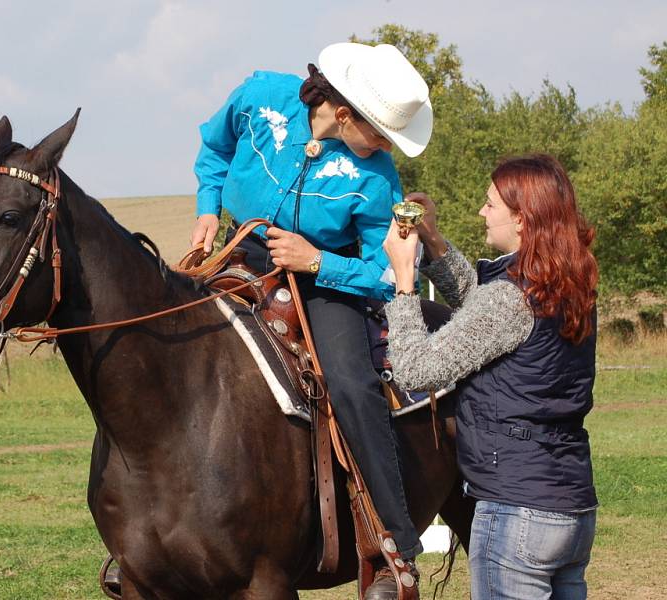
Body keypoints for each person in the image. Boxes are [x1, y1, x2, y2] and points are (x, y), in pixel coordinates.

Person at [190, 42, 433, 598]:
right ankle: (143, 532)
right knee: (163, 347)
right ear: (344, 113)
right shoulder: (259, 96)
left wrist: (319, 260)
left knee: (351, 382)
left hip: (329, 282)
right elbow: (215, 145)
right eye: (381, 135)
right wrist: (208, 204)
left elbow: (388, 268)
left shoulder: (379, 180)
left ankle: (394, 541)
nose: (385, 148)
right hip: (242, 256)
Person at [383, 154, 599, 600]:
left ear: (521, 220)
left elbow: (415, 369)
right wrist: (435, 242)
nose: (482, 212)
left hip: (517, 514)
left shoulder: (510, 299)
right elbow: (486, 312)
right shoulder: (567, 281)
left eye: (490, 204)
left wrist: (404, 280)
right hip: (571, 506)